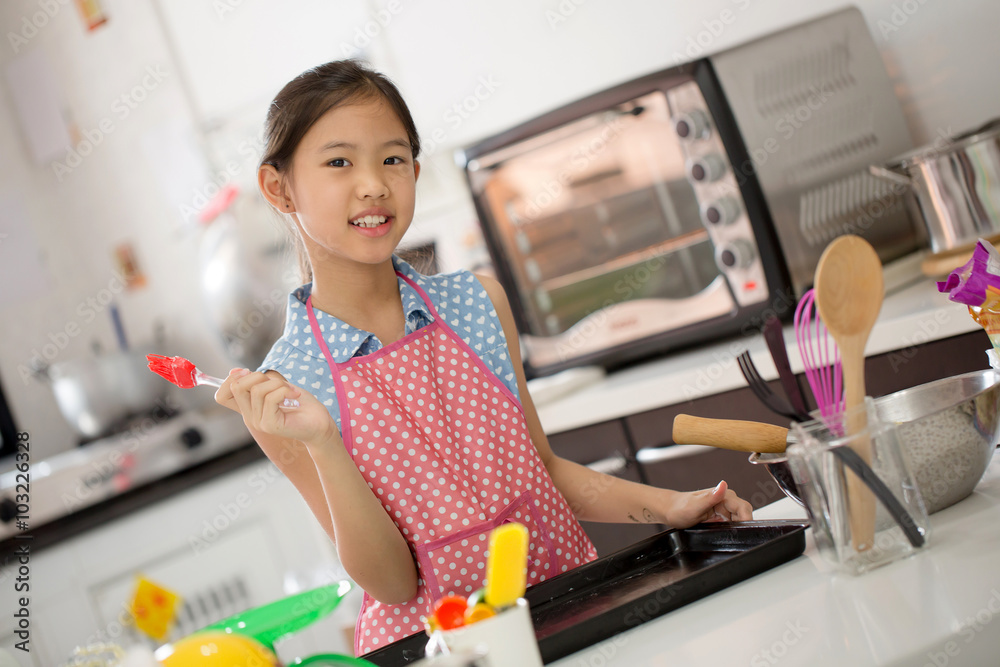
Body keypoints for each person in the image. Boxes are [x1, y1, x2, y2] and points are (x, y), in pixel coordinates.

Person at [215, 59, 753, 655]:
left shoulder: (478, 303)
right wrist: (320, 440)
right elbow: (393, 585)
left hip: (573, 609)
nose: (373, 183)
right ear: (279, 187)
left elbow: (543, 473)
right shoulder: (286, 390)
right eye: (339, 161)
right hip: (441, 652)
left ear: (415, 171)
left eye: (392, 159)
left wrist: (671, 507)